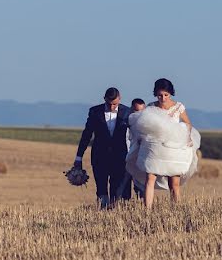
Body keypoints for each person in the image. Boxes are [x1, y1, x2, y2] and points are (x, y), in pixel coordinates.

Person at [129, 78, 201, 210]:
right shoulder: (151, 107)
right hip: (154, 148)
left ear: (171, 93)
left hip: (173, 149)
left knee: (174, 182)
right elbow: (144, 125)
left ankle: (176, 210)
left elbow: (187, 123)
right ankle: (147, 211)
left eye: (166, 95)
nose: (163, 98)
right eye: (160, 95)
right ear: (156, 94)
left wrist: (187, 136)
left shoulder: (179, 107)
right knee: (150, 177)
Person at [73, 87, 130, 208]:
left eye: (115, 104)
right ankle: (103, 210)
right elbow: (86, 135)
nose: (112, 107)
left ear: (120, 99)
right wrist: (79, 157)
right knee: (101, 188)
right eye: (109, 104)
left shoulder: (127, 112)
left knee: (116, 188)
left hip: (119, 157)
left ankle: (114, 212)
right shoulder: (94, 112)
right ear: (104, 99)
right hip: (99, 156)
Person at [120, 98, 148, 200]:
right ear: (131, 109)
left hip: (138, 160)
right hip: (124, 158)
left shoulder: (146, 127)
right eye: (136, 111)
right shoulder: (123, 123)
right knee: (123, 186)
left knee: (140, 187)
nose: (138, 115)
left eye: (141, 111)